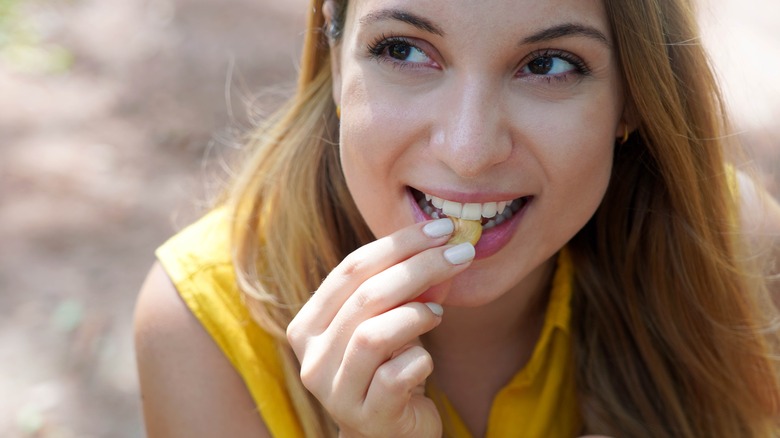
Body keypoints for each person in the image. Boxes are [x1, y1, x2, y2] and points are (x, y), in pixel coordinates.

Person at [133, 0, 780, 436]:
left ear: (633, 99)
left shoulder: (736, 255)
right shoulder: (203, 326)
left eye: (548, 65)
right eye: (404, 51)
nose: (468, 153)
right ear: (334, 54)